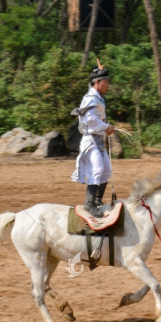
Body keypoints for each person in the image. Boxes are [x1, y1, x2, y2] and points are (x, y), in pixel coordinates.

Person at [71, 63, 116, 217]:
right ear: (97, 82)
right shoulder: (90, 98)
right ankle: (89, 203)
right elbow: (90, 120)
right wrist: (106, 127)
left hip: (98, 139)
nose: (108, 86)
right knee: (96, 168)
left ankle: (97, 200)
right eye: (106, 82)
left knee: (106, 169)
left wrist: (105, 128)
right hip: (90, 139)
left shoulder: (98, 98)